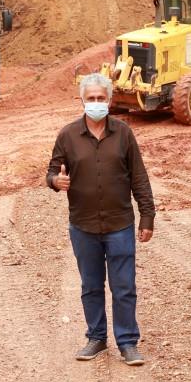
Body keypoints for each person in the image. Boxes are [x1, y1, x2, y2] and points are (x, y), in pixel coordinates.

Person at [46, 73, 155, 366]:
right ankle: (96, 337)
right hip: (83, 225)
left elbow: (139, 177)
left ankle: (128, 342)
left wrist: (147, 216)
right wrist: (56, 180)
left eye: (101, 98)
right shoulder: (67, 136)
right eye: (90, 98)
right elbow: (51, 172)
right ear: (82, 101)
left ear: (109, 100)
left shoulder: (123, 134)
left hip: (120, 224)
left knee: (124, 287)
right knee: (91, 286)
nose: (96, 103)